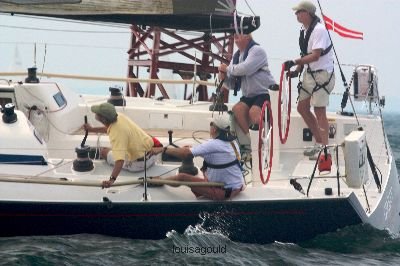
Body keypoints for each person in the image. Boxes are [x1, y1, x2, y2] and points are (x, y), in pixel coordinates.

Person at [283, 0, 335, 159]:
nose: (296, 14)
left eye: (299, 12)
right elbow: (306, 53)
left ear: (308, 13)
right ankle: (319, 142)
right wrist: (297, 70)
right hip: (310, 74)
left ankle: (325, 149)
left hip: (322, 75)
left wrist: (295, 62)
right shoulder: (304, 30)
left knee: (320, 111)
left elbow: (316, 55)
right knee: (302, 108)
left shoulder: (319, 30)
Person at [151, 116, 244, 200]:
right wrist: (191, 150)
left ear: (214, 129)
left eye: (211, 124)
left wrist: (163, 150)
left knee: (182, 177)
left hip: (224, 191)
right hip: (236, 185)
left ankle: (159, 181)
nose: (210, 126)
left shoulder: (214, 144)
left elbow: (186, 154)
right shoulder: (232, 142)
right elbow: (211, 153)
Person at [83, 102, 161, 188]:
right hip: (153, 155)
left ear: (104, 119)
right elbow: (109, 128)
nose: (95, 113)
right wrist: (92, 129)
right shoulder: (119, 116)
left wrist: (111, 180)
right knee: (116, 149)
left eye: (97, 113)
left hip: (140, 165)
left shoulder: (116, 134)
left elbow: (120, 161)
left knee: (104, 152)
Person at [218, 33, 276, 136]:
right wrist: (224, 78)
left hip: (264, 93)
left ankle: (265, 141)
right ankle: (249, 140)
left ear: (248, 36)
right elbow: (232, 84)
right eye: (234, 34)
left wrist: (227, 69)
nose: (235, 36)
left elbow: (245, 69)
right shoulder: (237, 56)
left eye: (239, 33)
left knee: (254, 112)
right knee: (237, 109)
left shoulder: (257, 50)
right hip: (249, 96)